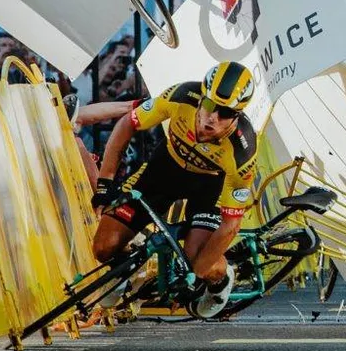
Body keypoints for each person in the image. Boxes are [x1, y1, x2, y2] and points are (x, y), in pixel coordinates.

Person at [90, 61, 258, 318]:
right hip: (164, 169)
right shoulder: (181, 97)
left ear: (237, 115)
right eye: (210, 105)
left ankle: (222, 280)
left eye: (224, 113)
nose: (213, 117)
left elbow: (230, 226)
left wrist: (197, 275)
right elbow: (127, 124)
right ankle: (130, 268)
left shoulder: (242, 150)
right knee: (103, 247)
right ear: (202, 98)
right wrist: (105, 184)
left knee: (196, 257)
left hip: (209, 186)